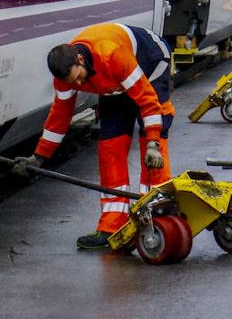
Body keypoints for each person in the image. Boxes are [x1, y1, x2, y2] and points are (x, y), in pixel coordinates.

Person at [15, 22, 173, 250]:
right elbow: (59, 118)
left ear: (80, 59)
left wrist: (153, 143)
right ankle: (113, 227)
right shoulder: (65, 76)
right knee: (110, 148)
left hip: (150, 63)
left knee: (152, 150)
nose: (79, 85)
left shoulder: (112, 55)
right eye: (73, 82)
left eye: (79, 78)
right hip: (112, 84)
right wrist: (38, 158)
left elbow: (148, 101)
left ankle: (158, 217)